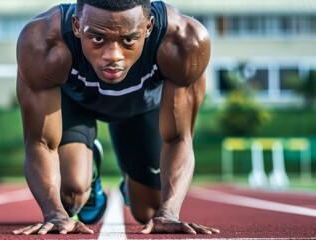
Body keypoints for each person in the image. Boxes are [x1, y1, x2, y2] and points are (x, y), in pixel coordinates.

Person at [13, 0, 220, 235]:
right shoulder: (43, 42)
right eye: (98, 39)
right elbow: (40, 143)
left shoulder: (184, 41)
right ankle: (90, 182)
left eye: (128, 40)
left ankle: (131, 178)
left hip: (141, 107)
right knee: (70, 195)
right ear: (77, 25)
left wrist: (169, 212)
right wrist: (55, 213)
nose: (113, 56)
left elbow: (179, 139)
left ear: (149, 27)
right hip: (75, 102)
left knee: (149, 211)